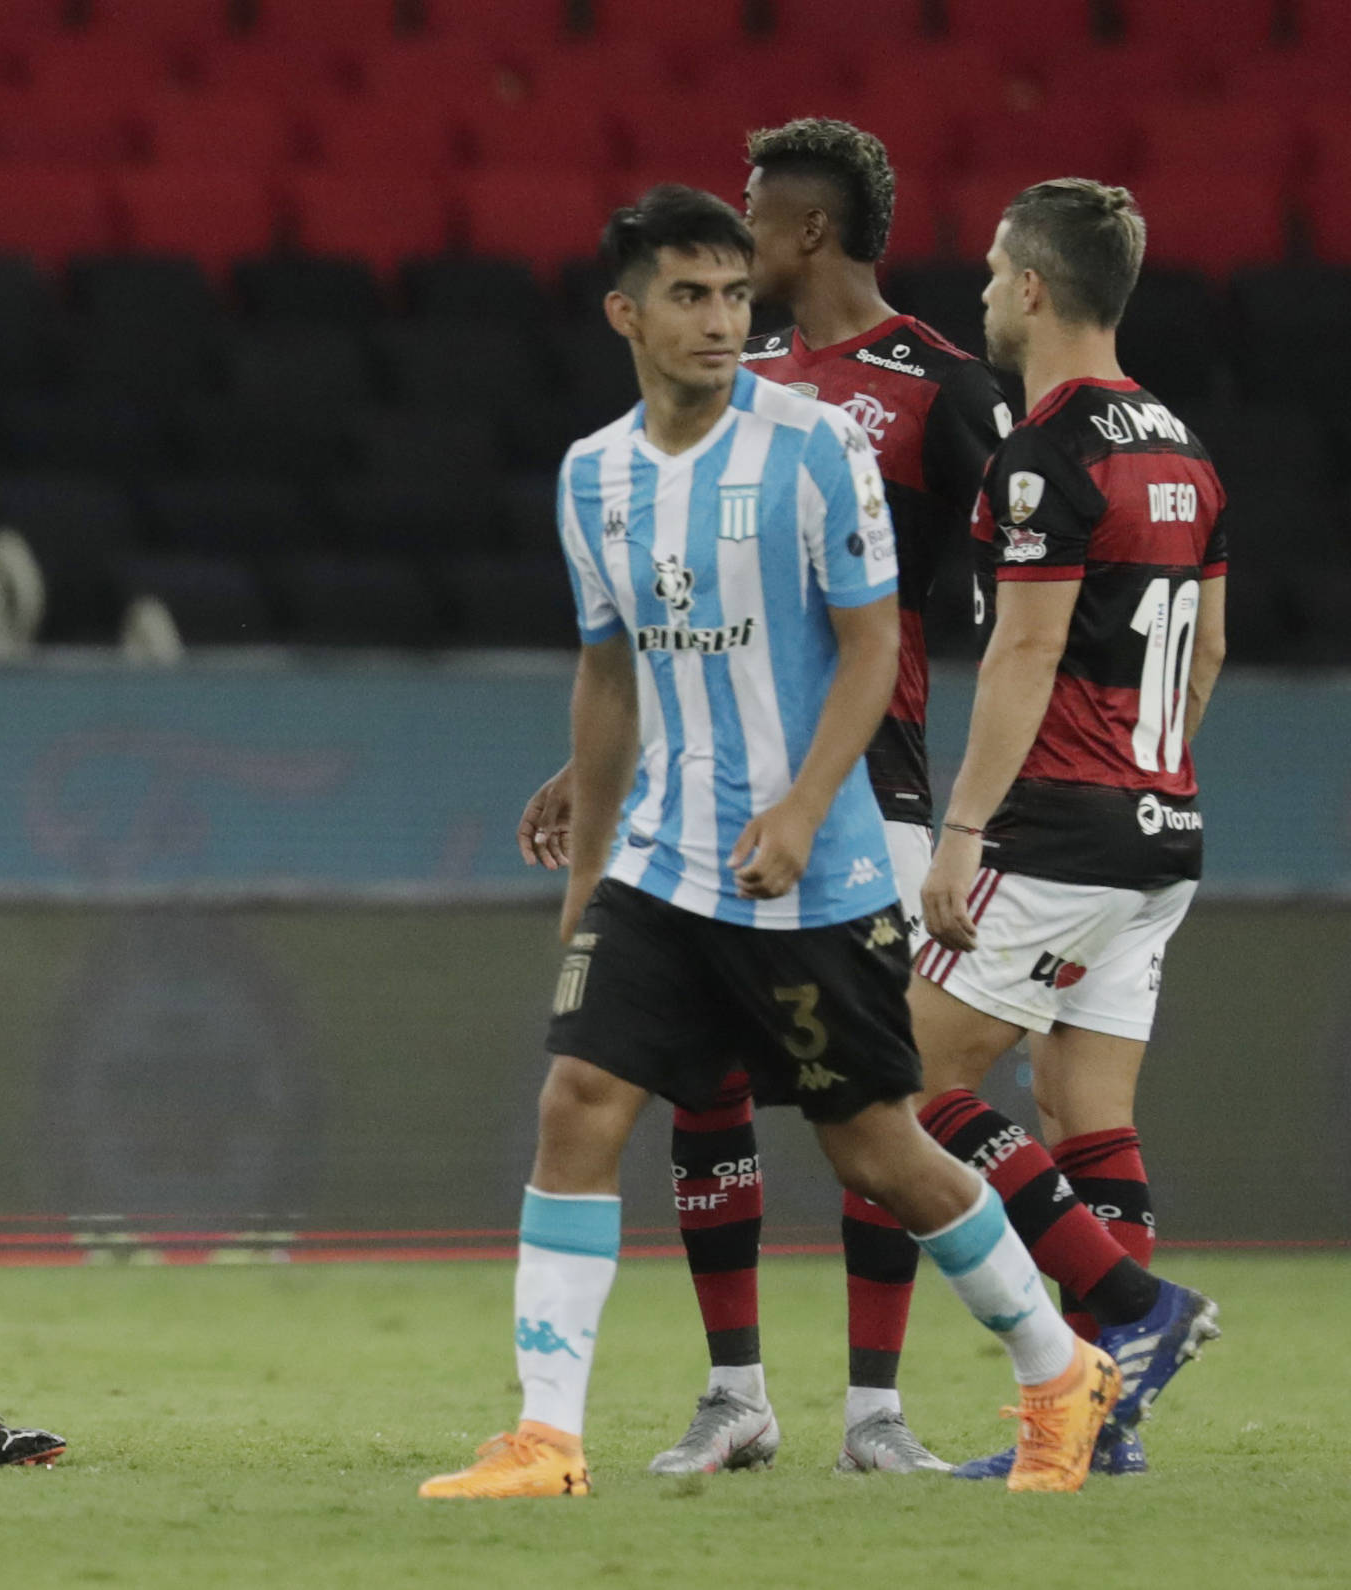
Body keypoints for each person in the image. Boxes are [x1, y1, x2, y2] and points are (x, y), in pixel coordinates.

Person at [422, 186, 1116, 1501]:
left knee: (878, 1149)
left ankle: (1055, 1367)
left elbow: (874, 650)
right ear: (627, 312)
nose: (722, 319)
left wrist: (802, 805)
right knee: (576, 1102)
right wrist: (584, 873)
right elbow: (613, 674)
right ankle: (547, 1437)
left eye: (737, 293)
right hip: (664, 866)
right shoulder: (595, 473)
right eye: (690, 295)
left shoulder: (811, 448)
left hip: (817, 874)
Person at [629, 118, 1012, 1477]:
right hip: (714, 791)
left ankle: (875, 1410)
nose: (729, 245)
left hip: (872, 787)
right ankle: (738, 1393)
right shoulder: (736, 381)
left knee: (872, 1106)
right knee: (707, 1086)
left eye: (748, 217)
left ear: (807, 232)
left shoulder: (943, 386)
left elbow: (1030, 586)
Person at [910, 178, 1226, 1478]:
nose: (983, 290)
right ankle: (1112, 1427)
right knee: (1085, 1105)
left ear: (1034, 289)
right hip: (1166, 824)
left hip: (1062, 828)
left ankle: (1131, 1313)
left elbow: (1024, 654)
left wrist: (963, 827)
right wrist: (1154, 773)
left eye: (992, 271)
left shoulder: (1049, 457)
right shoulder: (1183, 446)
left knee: (905, 1081)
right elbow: (1209, 648)